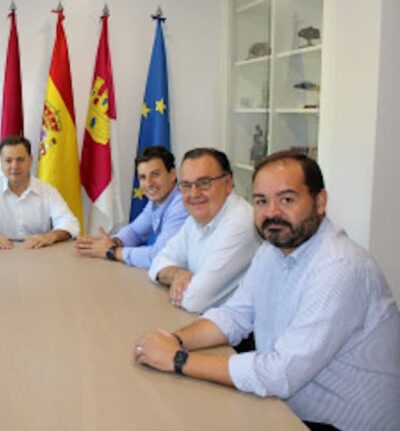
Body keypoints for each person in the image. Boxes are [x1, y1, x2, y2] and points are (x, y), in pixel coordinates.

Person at [133, 151, 400, 430]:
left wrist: (177, 359)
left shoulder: (339, 267)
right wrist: (173, 340)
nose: (272, 212)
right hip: (285, 408)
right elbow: (235, 316)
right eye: (261, 201)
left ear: (320, 202)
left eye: (286, 199)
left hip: (338, 423)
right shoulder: (272, 250)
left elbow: (280, 374)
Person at [148, 148, 259, 312]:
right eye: (186, 185)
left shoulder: (242, 224)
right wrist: (176, 275)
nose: (194, 194)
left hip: (240, 333)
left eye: (204, 183)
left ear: (228, 184)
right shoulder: (196, 218)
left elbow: (195, 300)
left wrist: (179, 279)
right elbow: (157, 262)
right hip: (201, 322)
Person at [0, 135, 80, 249]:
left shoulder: (48, 191)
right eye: (8, 160)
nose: (14, 166)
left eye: (20, 160)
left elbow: (71, 224)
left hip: (37, 255)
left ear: (30, 161)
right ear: (1, 163)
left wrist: (49, 237)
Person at [74, 146, 188, 268]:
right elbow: (135, 231)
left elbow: (159, 256)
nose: (149, 183)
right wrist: (114, 242)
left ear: (172, 174)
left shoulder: (182, 204)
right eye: (143, 177)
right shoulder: (157, 201)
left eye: (155, 174)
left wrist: (112, 251)